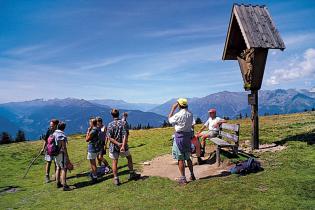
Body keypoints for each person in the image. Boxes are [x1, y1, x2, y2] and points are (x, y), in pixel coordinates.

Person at [106, 109, 140, 186]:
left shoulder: (110, 124)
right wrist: (123, 145)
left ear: (112, 115)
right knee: (129, 158)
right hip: (123, 145)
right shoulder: (123, 123)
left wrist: (118, 143)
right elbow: (125, 135)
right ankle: (132, 173)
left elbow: (109, 137)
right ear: (118, 114)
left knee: (114, 162)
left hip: (114, 146)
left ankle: (116, 179)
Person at [168, 98, 196, 185]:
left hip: (179, 137)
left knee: (180, 159)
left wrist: (173, 109)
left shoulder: (178, 114)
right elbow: (192, 124)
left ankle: (183, 178)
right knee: (188, 157)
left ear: (179, 105)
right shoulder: (190, 114)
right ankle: (192, 175)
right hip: (188, 137)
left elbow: (170, 120)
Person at [54, 122, 71, 191]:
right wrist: (67, 157)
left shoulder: (54, 133)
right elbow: (64, 147)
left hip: (55, 154)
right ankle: (64, 185)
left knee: (58, 167)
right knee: (64, 168)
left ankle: (58, 183)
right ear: (64, 128)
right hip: (61, 154)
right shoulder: (61, 135)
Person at [41, 119, 59, 183]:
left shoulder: (58, 131)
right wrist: (43, 148)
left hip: (56, 150)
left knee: (56, 163)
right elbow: (45, 140)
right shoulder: (49, 130)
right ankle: (47, 176)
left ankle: (56, 175)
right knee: (49, 162)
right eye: (50, 125)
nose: (51, 126)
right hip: (49, 150)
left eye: (52, 125)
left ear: (56, 125)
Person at [86, 118, 100, 183]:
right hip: (96, 147)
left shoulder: (93, 131)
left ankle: (95, 177)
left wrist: (88, 131)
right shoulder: (97, 128)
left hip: (92, 148)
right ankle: (94, 175)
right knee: (93, 162)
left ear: (92, 123)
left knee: (93, 163)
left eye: (90, 123)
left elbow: (87, 139)